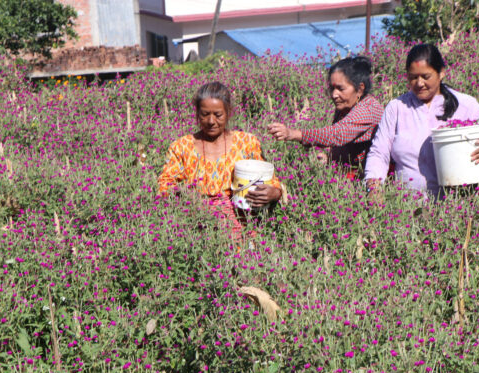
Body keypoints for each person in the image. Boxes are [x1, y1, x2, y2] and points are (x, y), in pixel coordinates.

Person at [364, 43, 479, 198]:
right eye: (413, 78)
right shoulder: (397, 108)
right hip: (406, 208)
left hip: (457, 206)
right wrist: (373, 188)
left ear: (441, 73)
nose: (419, 83)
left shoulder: (464, 104)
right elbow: (379, 153)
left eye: (426, 77)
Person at [157, 81, 282, 241]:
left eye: (218, 115)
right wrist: (186, 196)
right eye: (204, 114)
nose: (211, 121)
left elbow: (271, 180)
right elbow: (164, 186)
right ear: (197, 113)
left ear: (228, 112)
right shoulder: (181, 147)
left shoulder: (246, 142)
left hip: (243, 231)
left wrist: (275, 193)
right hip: (197, 233)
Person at [267, 56, 383, 171]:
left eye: (340, 88)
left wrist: (293, 134)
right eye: (332, 88)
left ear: (360, 89)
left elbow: (336, 134)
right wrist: (330, 157)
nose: (334, 95)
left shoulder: (368, 109)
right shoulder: (345, 106)